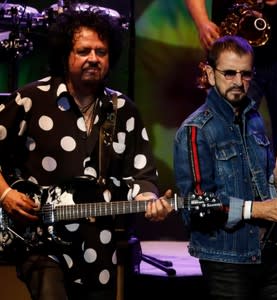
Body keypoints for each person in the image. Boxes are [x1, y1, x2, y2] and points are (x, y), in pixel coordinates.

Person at [0, 7, 173, 300]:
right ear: (66, 55)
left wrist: (148, 200)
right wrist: (5, 194)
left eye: (101, 52)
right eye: (83, 51)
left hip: (100, 247)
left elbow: (142, 175)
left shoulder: (123, 110)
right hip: (40, 242)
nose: (93, 58)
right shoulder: (31, 99)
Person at [173, 35, 277, 300]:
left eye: (246, 74)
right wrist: (259, 209)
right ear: (209, 74)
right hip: (228, 263)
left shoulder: (254, 120)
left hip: (269, 258)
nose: (238, 82)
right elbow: (197, 208)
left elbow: (267, 194)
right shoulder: (196, 131)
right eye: (229, 73)